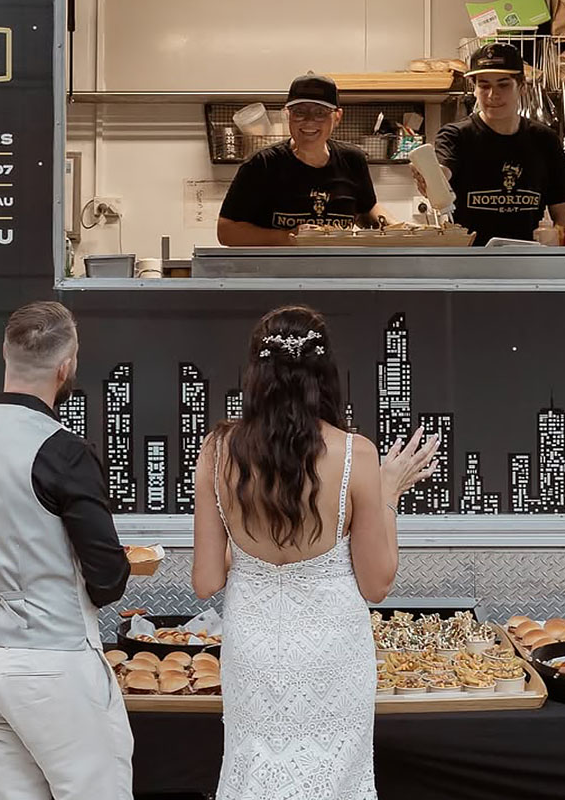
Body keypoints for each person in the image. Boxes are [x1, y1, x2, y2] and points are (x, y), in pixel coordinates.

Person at [191, 305, 439, 800]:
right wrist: (388, 496)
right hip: (333, 650)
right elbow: (377, 584)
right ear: (325, 374)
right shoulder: (357, 454)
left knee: (253, 767)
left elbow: (206, 582)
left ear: (256, 374)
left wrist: (253, 546)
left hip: (253, 648)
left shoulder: (217, 450)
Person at [0, 300, 133, 800]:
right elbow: (109, 578)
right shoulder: (64, 449)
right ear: (67, 366)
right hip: (51, 662)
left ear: (5, 352)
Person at [414, 43, 565, 246]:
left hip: (527, 266)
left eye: (503, 84)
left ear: (521, 87)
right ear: (474, 89)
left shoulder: (544, 140)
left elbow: (563, 217)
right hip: (468, 268)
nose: (493, 95)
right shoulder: (455, 136)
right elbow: (443, 172)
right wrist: (431, 178)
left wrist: (559, 255)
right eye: (484, 86)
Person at [217, 74, 390, 246]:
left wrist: (404, 231)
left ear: (337, 117)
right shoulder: (262, 164)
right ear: (288, 114)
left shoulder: (352, 159)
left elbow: (368, 209)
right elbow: (226, 231)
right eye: (299, 112)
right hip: (276, 271)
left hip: (337, 270)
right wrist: (287, 237)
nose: (308, 121)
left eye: (320, 113)